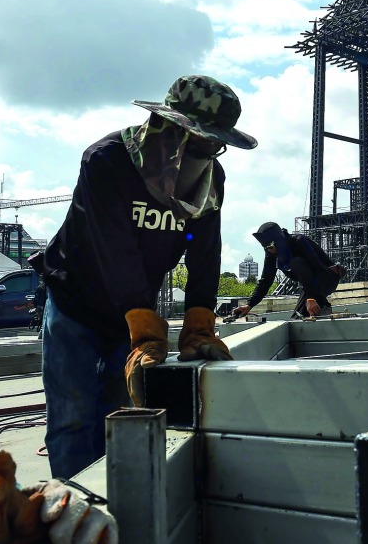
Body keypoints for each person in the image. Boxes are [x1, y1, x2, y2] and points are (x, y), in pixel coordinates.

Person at [37, 75, 256, 481]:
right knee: (73, 415)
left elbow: (204, 251)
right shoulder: (108, 162)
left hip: (134, 311)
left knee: (122, 413)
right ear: (167, 128)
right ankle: (74, 511)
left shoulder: (211, 180)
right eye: (199, 141)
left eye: (214, 145)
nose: (206, 154)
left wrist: (199, 323)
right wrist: (144, 329)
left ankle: (112, 502)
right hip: (77, 302)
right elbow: (115, 250)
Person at [236, 222, 346, 319]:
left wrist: (311, 298)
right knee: (297, 318)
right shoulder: (271, 254)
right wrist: (250, 304)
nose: (269, 249)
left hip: (327, 278)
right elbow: (265, 281)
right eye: (265, 247)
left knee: (296, 262)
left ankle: (323, 306)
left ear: (278, 240)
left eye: (270, 245)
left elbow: (318, 270)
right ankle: (317, 307)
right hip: (309, 285)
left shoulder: (299, 241)